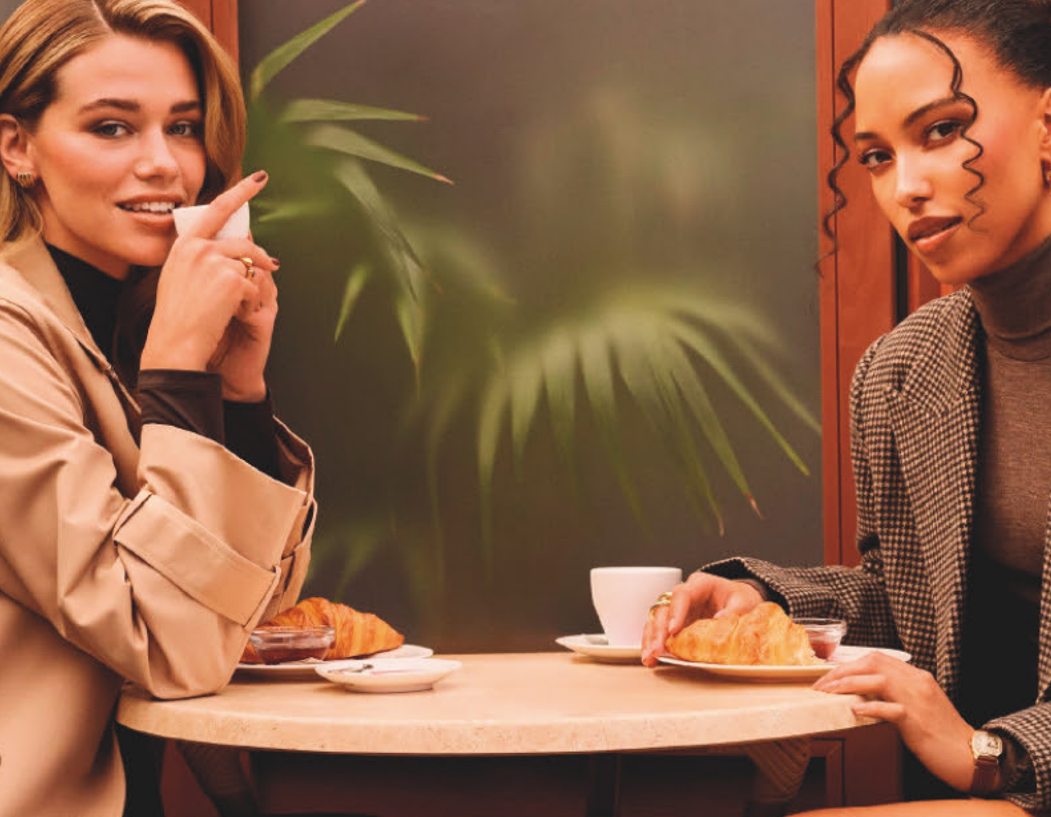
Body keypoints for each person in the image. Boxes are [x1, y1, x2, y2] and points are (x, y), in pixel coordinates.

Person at [642, 1, 1051, 815]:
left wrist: (991, 752)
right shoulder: (901, 370)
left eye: (942, 130)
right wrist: (770, 602)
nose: (906, 186)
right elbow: (912, 606)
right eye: (875, 156)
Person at [0, 0, 317, 814]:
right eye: (111, 127)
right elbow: (172, 642)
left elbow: (251, 614)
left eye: (183, 127)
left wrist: (237, 395)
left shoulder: (121, 321)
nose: (164, 164)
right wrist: (176, 369)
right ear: (16, 147)